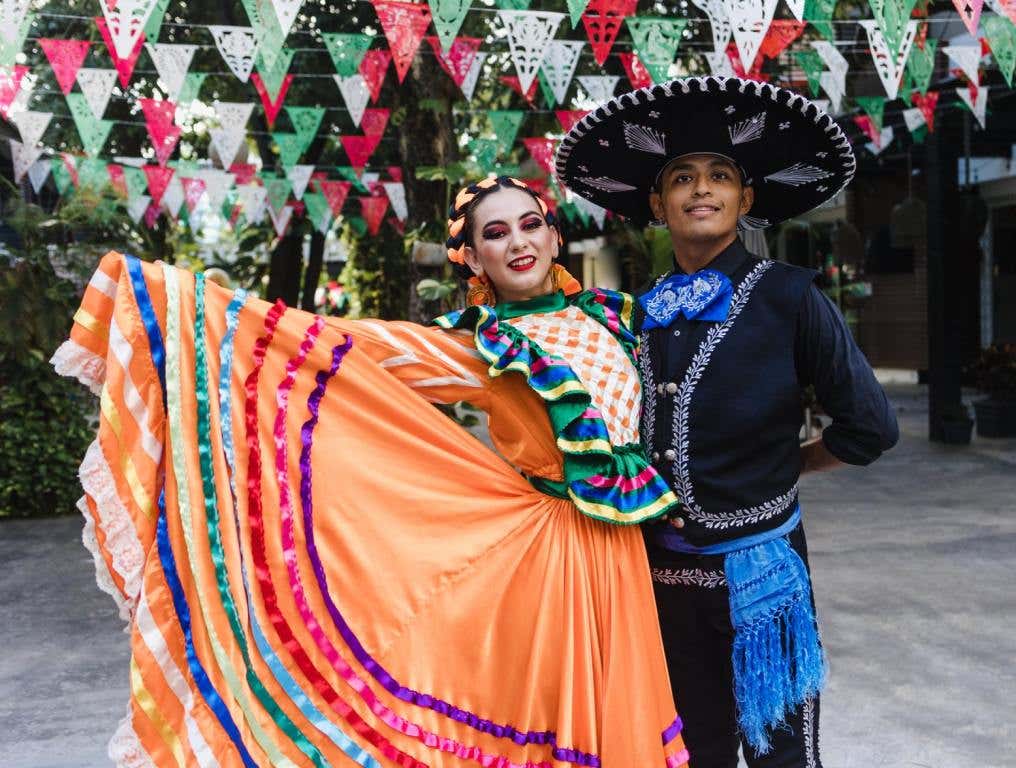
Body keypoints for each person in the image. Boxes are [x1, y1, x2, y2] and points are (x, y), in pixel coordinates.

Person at [51, 176, 690, 767]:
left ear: (555, 235)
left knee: (622, 716)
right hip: (553, 563)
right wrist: (206, 310)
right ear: (469, 257)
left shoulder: (615, 316)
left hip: (626, 554)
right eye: (494, 234)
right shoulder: (481, 347)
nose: (518, 242)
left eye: (530, 225)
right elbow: (357, 350)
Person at [556, 76, 899, 767]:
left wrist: (793, 464)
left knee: (782, 759)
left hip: (763, 573)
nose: (701, 188)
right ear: (657, 204)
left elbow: (870, 426)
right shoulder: (634, 314)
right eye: (681, 177)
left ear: (746, 199)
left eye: (720, 175)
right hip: (658, 580)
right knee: (689, 755)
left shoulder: (791, 296)